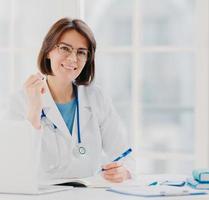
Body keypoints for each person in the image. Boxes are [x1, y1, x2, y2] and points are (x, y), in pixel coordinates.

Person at [3, 18, 135, 182]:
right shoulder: (19, 101)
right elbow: (14, 165)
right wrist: (34, 110)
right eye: (65, 48)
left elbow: (124, 154)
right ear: (48, 51)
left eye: (81, 52)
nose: (73, 59)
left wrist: (124, 171)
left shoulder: (96, 98)